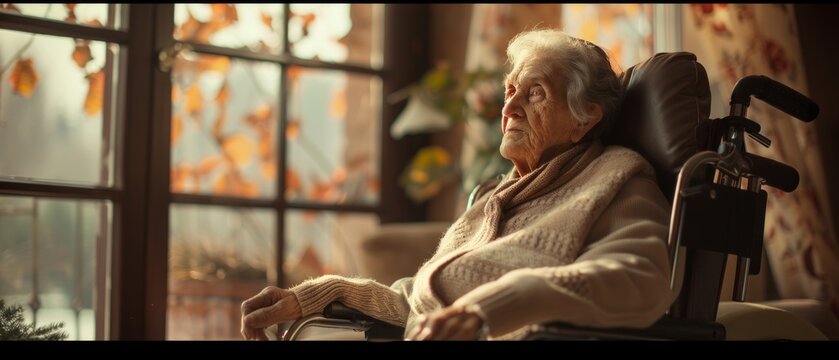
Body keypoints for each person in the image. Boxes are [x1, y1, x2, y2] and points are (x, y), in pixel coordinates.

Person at [240, 29, 673, 341]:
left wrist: (488, 311)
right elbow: (423, 298)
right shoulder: (495, 196)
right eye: (510, 90)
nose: (511, 107)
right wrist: (321, 294)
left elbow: (639, 278)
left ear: (585, 118)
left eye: (535, 92)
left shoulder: (615, 177)